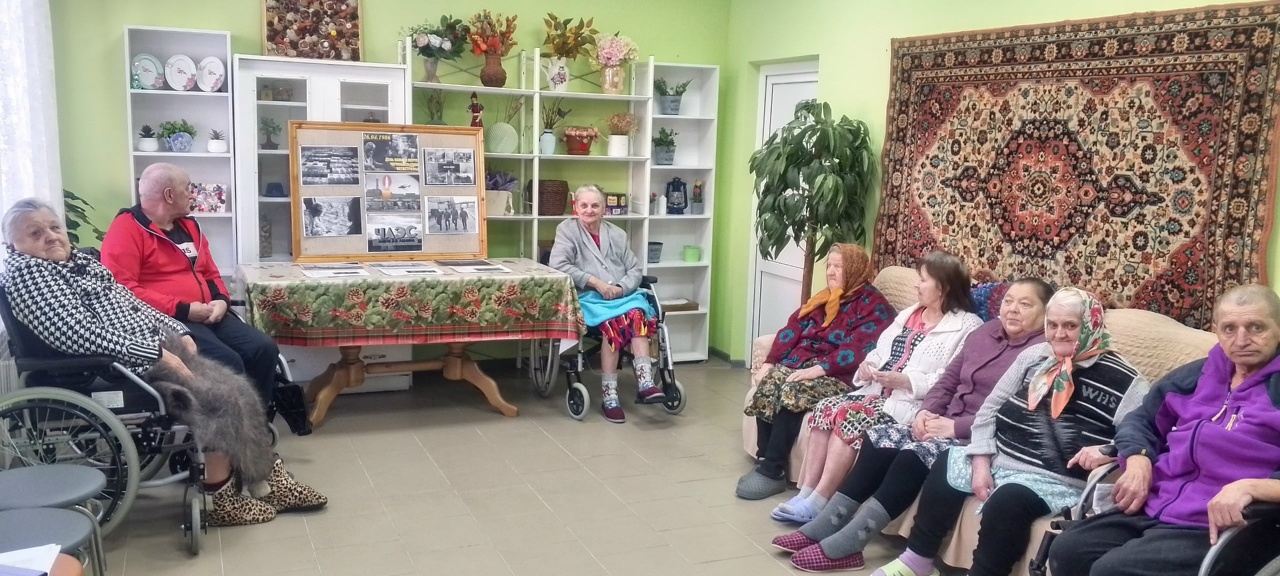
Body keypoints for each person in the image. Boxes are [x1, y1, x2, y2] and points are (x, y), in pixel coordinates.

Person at [0, 198, 326, 527]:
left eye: (54, 227)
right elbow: (77, 335)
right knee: (220, 398)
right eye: (35, 233)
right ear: (13, 244)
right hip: (114, 367)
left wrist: (179, 330)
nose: (51, 236)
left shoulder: (81, 263)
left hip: (148, 351)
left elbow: (133, 303)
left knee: (239, 388)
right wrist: (155, 353)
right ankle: (222, 498)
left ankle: (264, 480)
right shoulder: (30, 275)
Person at [855, 288, 1149, 576]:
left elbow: (1143, 434)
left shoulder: (1126, 380)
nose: (1059, 334)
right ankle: (917, 560)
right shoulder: (1035, 356)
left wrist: (1108, 451)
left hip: (1055, 478)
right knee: (947, 462)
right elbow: (990, 409)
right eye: (1053, 325)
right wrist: (981, 460)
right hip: (1001, 458)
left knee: (1008, 501)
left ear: (1091, 325)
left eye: (1070, 326)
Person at [771, 278, 1053, 568]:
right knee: (879, 438)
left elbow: (1013, 414)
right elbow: (949, 379)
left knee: (913, 455)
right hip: (942, 421)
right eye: (1008, 301)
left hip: (980, 438)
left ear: (1045, 313)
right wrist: (925, 412)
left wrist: (954, 428)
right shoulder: (985, 332)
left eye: (1025, 304)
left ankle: (852, 542)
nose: (1013, 309)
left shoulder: (1042, 353)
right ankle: (829, 522)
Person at [1049, 285, 1280, 576]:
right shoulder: (1195, 375)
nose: (1241, 340)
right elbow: (1139, 420)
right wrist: (1138, 458)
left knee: (1113, 571)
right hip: (1159, 502)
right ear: (1216, 331)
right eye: (1229, 329)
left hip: (1226, 523)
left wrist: (1250, 487)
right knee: (1068, 551)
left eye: (1256, 327)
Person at [757, 252, 984, 505]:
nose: (916, 286)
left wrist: (906, 381)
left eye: (922, 280)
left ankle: (819, 500)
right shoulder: (909, 313)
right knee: (824, 408)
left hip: (908, 403)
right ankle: (805, 493)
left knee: (849, 416)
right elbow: (877, 350)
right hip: (874, 391)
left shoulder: (967, 326)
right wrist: (868, 366)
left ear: (945, 287)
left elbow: (951, 380)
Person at [101, 163, 281, 405]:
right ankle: (223, 424)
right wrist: (184, 309)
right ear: (169, 195)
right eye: (187, 188)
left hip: (209, 314)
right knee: (227, 361)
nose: (192, 194)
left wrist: (221, 301)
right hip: (168, 321)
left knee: (264, 348)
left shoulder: (189, 226)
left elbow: (210, 272)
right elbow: (123, 291)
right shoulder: (126, 229)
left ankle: (256, 417)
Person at [736, 244, 897, 500]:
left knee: (794, 390)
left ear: (854, 269)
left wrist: (818, 369)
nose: (830, 272)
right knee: (772, 380)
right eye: (829, 265)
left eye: (838, 267)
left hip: (839, 375)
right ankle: (764, 459)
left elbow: (858, 350)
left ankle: (773, 470)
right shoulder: (824, 298)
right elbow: (791, 330)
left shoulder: (874, 308)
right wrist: (770, 361)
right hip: (804, 363)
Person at [549, 185, 665, 423]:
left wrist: (621, 287)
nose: (589, 210)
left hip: (622, 296)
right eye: (584, 205)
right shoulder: (567, 230)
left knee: (636, 314)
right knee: (615, 323)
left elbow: (634, 269)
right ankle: (609, 396)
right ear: (576, 208)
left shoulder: (617, 234)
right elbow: (558, 265)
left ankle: (645, 382)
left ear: (604, 209)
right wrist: (595, 282)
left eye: (595, 205)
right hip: (589, 298)